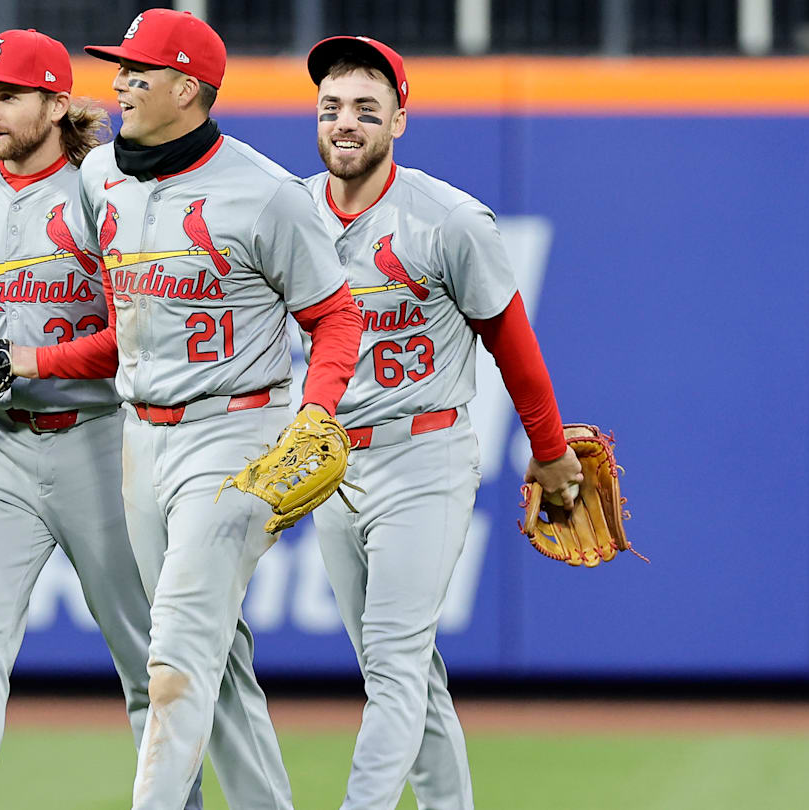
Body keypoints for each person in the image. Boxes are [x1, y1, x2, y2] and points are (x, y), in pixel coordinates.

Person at [0, 10, 364, 810]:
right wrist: (28, 359)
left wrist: (318, 414)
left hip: (236, 435)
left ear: (188, 87)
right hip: (141, 440)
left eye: (140, 71)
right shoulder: (101, 179)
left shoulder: (264, 195)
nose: (120, 81)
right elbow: (117, 334)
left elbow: (337, 317)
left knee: (173, 663)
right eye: (120, 68)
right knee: (216, 660)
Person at [0, 29, 203, 810]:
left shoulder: (104, 190)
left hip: (100, 445)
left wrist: (25, 362)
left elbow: (135, 336)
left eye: (7, 95)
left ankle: (176, 800)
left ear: (57, 104)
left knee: (145, 656)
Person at [301, 36, 585, 810]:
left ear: (400, 118)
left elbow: (513, 344)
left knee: (393, 664)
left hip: (425, 456)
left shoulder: (448, 219)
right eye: (331, 108)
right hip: (329, 468)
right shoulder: (291, 215)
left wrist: (551, 449)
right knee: (405, 671)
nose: (346, 122)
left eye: (366, 107)